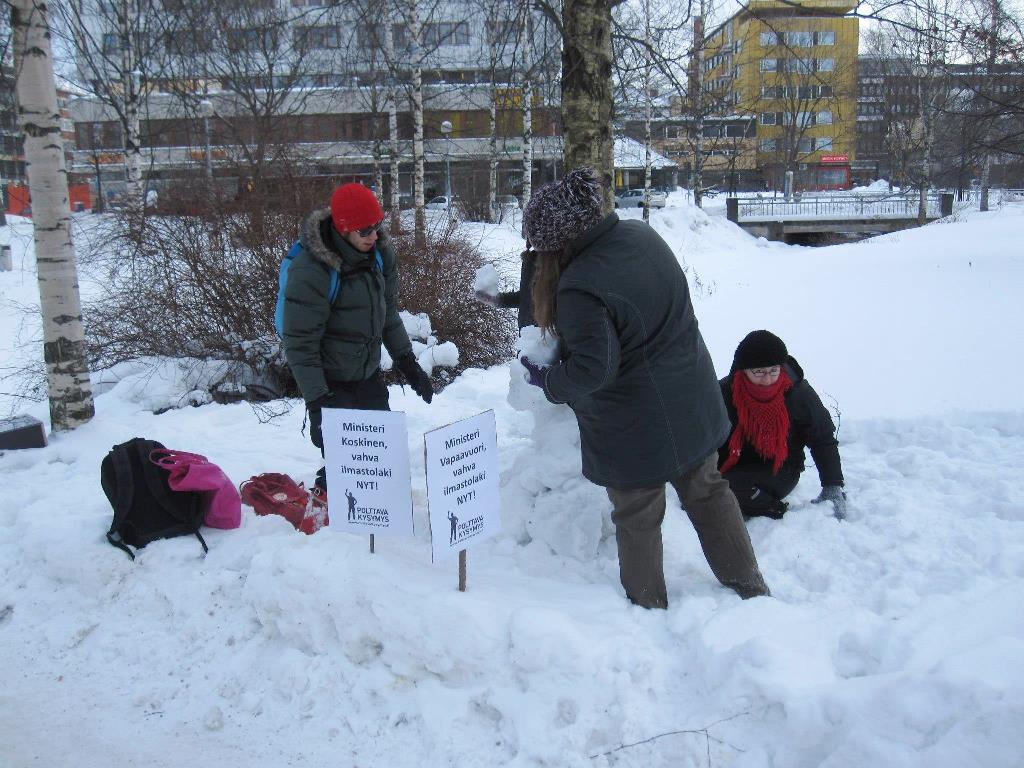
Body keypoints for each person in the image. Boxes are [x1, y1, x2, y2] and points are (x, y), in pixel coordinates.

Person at [519, 167, 770, 608]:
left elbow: (595, 371)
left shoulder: (578, 287)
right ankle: (750, 587)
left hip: (634, 427)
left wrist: (550, 381)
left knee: (637, 514)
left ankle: (648, 608)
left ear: (558, 242)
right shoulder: (642, 236)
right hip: (691, 401)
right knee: (709, 492)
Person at [281, 183, 434, 504]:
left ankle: (378, 521)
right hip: (330, 382)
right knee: (343, 460)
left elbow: (387, 312)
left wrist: (407, 362)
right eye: (365, 230)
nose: (374, 236)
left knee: (380, 453)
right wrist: (318, 403)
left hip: (367, 372)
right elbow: (300, 343)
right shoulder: (313, 270)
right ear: (343, 228)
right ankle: (334, 523)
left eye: (377, 226)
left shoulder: (379, 255)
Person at [718, 330, 847, 520]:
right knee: (705, 490)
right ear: (743, 369)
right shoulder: (724, 392)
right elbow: (704, 433)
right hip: (733, 462)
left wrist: (832, 485)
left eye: (773, 371)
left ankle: (771, 508)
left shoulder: (797, 393)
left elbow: (822, 438)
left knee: (723, 489)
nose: (768, 379)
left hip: (780, 468)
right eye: (759, 372)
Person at [474, 248, 537, 329]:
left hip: (551, 335)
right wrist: (497, 300)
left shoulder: (555, 260)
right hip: (530, 333)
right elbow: (528, 296)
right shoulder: (532, 258)